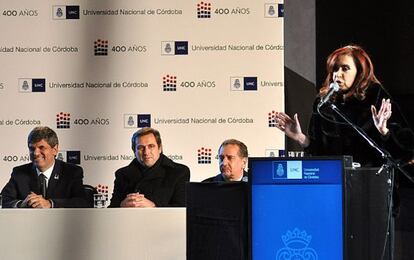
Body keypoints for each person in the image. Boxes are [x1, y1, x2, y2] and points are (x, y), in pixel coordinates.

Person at [274, 45, 414, 167]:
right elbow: (320, 154)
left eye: (345, 68)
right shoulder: (324, 104)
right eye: (335, 69)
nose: (337, 74)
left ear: (359, 72)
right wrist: (300, 137)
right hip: (336, 183)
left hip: (372, 184)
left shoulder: (376, 96)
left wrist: (384, 131)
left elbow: (405, 152)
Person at [1, 126, 87, 208]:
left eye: (41, 147)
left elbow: (82, 202)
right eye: (32, 148)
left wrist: (50, 204)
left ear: (55, 149)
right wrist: (21, 204)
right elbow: (3, 200)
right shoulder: (19, 173)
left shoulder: (72, 172)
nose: (36, 153)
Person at [109, 127, 190, 207]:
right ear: (134, 151)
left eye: (151, 146)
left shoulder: (179, 172)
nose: (146, 152)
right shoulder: (122, 174)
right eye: (140, 148)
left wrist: (154, 206)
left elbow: (182, 210)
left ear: (159, 148)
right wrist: (121, 205)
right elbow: (111, 210)